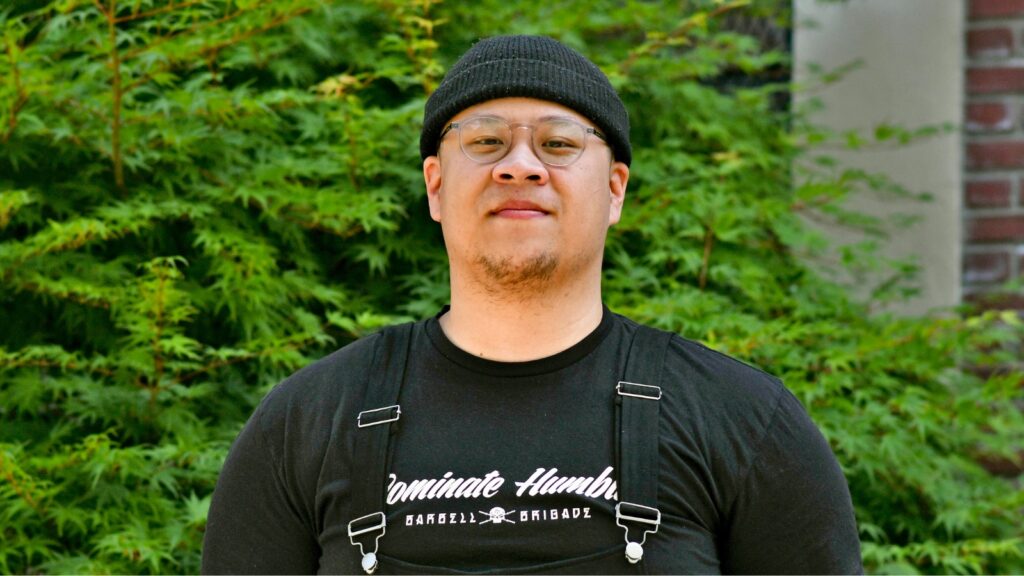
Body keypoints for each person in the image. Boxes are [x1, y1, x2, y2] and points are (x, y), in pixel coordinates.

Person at [202, 35, 863, 575]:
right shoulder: (306, 421)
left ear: (614, 189)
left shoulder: (742, 418)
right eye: (486, 141)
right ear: (435, 186)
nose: (520, 166)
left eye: (558, 143)